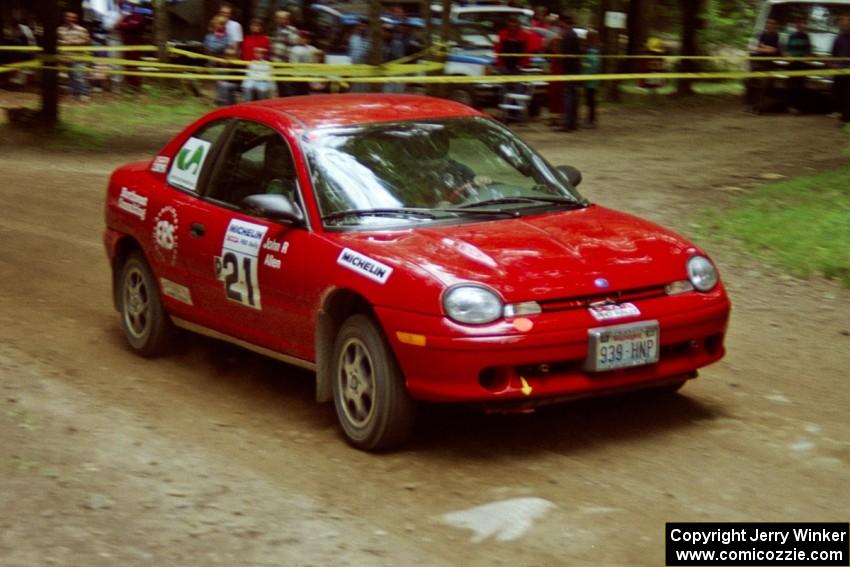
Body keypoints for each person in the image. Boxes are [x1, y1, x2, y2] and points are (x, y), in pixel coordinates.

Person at [747, 18, 781, 113]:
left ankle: (758, 107)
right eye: (769, 23)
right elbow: (756, 48)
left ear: (775, 25)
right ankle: (749, 105)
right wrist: (765, 48)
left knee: (763, 86)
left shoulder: (776, 36)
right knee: (750, 82)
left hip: (768, 65)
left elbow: (773, 50)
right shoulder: (762, 35)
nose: (770, 25)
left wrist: (763, 47)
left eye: (772, 23)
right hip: (758, 62)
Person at [58, 11, 92, 101]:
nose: (70, 19)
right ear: (65, 18)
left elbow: (87, 41)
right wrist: (65, 43)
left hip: (79, 57)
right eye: (68, 17)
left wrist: (73, 42)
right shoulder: (60, 29)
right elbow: (57, 41)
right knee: (71, 76)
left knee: (79, 75)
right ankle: (73, 93)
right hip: (66, 57)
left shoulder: (81, 30)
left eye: (72, 17)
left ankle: (85, 93)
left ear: (75, 19)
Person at [205, 15, 236, 106]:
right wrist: (224, 49)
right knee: (219, 83)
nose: (222, 26)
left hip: (225, 65)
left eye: (224, 24)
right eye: (220, 24)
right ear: (215, 24)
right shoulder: (209, 36)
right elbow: (210, 47)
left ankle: (223, 102)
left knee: (223, 83)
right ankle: (221, 102)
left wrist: (223, 50)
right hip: (214, 64)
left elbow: (232, 50)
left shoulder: (228, 36)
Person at [559, 15, 582, 132]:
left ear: (564, 22)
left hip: (570, 70)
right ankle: (573, 123)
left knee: (569, 96)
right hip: (575, 69)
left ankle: (567, 123)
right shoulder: (574, 35)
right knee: (574, 97)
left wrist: (562, 62)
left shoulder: (568, 35)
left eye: (560, 22)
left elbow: (567, 55)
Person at [115, 1, 146, 89]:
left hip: (135, 46)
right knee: (127, 65)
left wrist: (122, 24)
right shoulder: (128, 16)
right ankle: (129, 85)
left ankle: (136, 86)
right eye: (129, 4)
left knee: (134, 65)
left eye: (132, 5)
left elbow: (128, 26)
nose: (130, 6)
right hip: (126, 45)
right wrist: (122, 23)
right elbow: (119, 25)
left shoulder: (139, 16)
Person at [271, 10, 299, 96]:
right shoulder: (275, 30)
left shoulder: (292, 30)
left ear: (288, 20)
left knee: (288, 86)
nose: (282, 20)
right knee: (279, 86)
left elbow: (295, 41)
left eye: (284, 18)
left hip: (286, 62)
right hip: (276, 62)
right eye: (280, 18)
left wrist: (285, 34)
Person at [786, 18, 811, 114]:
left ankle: (798, 107)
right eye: (798, 24)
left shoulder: (806, 36)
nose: (800, 26)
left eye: (802, 24)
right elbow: (788, 49)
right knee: (791, 85)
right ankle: (790, 106)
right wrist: (788, 57)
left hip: (802, 65)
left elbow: (808, 51)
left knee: (800, 86)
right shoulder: (791, 36)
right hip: (792, 64)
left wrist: (806, 59)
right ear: (796, 26)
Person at [546, 20, 566, 126]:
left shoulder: (564, 42)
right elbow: (548, 49)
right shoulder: (554, 40)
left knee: (560, 95)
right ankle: (553, 117)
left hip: (561, 69)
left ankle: (559, 117)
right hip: (554, 68)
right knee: (553, 94)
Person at [289, 31, 320, 96]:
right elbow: (293, 64)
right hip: (297, 77)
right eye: (302, 37)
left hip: (308, 76)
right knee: (296, 95)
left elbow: (318, 58)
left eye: (306, 38)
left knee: (306, 96)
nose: (304, 39)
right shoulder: (294, 49)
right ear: (299, 38)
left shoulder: (312, 49)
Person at [833, 14, 850, 125]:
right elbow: (834, 54)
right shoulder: (838, 38)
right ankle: (844, 119)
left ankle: (847, 119)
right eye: (843, 21)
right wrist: (834, 64)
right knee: (841, 96)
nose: (846, 23)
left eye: (848, 21)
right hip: (840, 71)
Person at [582, 30, 601, 128]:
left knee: (591, 101)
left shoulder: (592, 53)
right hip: (590, 80)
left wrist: (584, 73)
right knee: (589, 101)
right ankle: (589, 119)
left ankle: (592, 121)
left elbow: (591, 66)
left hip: (591, 81)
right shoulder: (591, 50)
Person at [348, 18, 371, 93]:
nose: (362, 28)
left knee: (364, 85)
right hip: (355, 66)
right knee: (355, 85)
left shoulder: (370, 39)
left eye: (364, 26)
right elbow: (351, 51)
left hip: (366, 67)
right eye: (360, 26)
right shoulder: (353, 38)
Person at [382, 25, 405, 93]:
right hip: (386, 72)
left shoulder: (398, 44)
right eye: (384, 32)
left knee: (397, 92)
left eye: (386, 32)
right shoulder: (383, 45)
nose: (384, 34)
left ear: (391, 34)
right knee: (387, 91)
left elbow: (399, 59)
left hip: (397, 72)